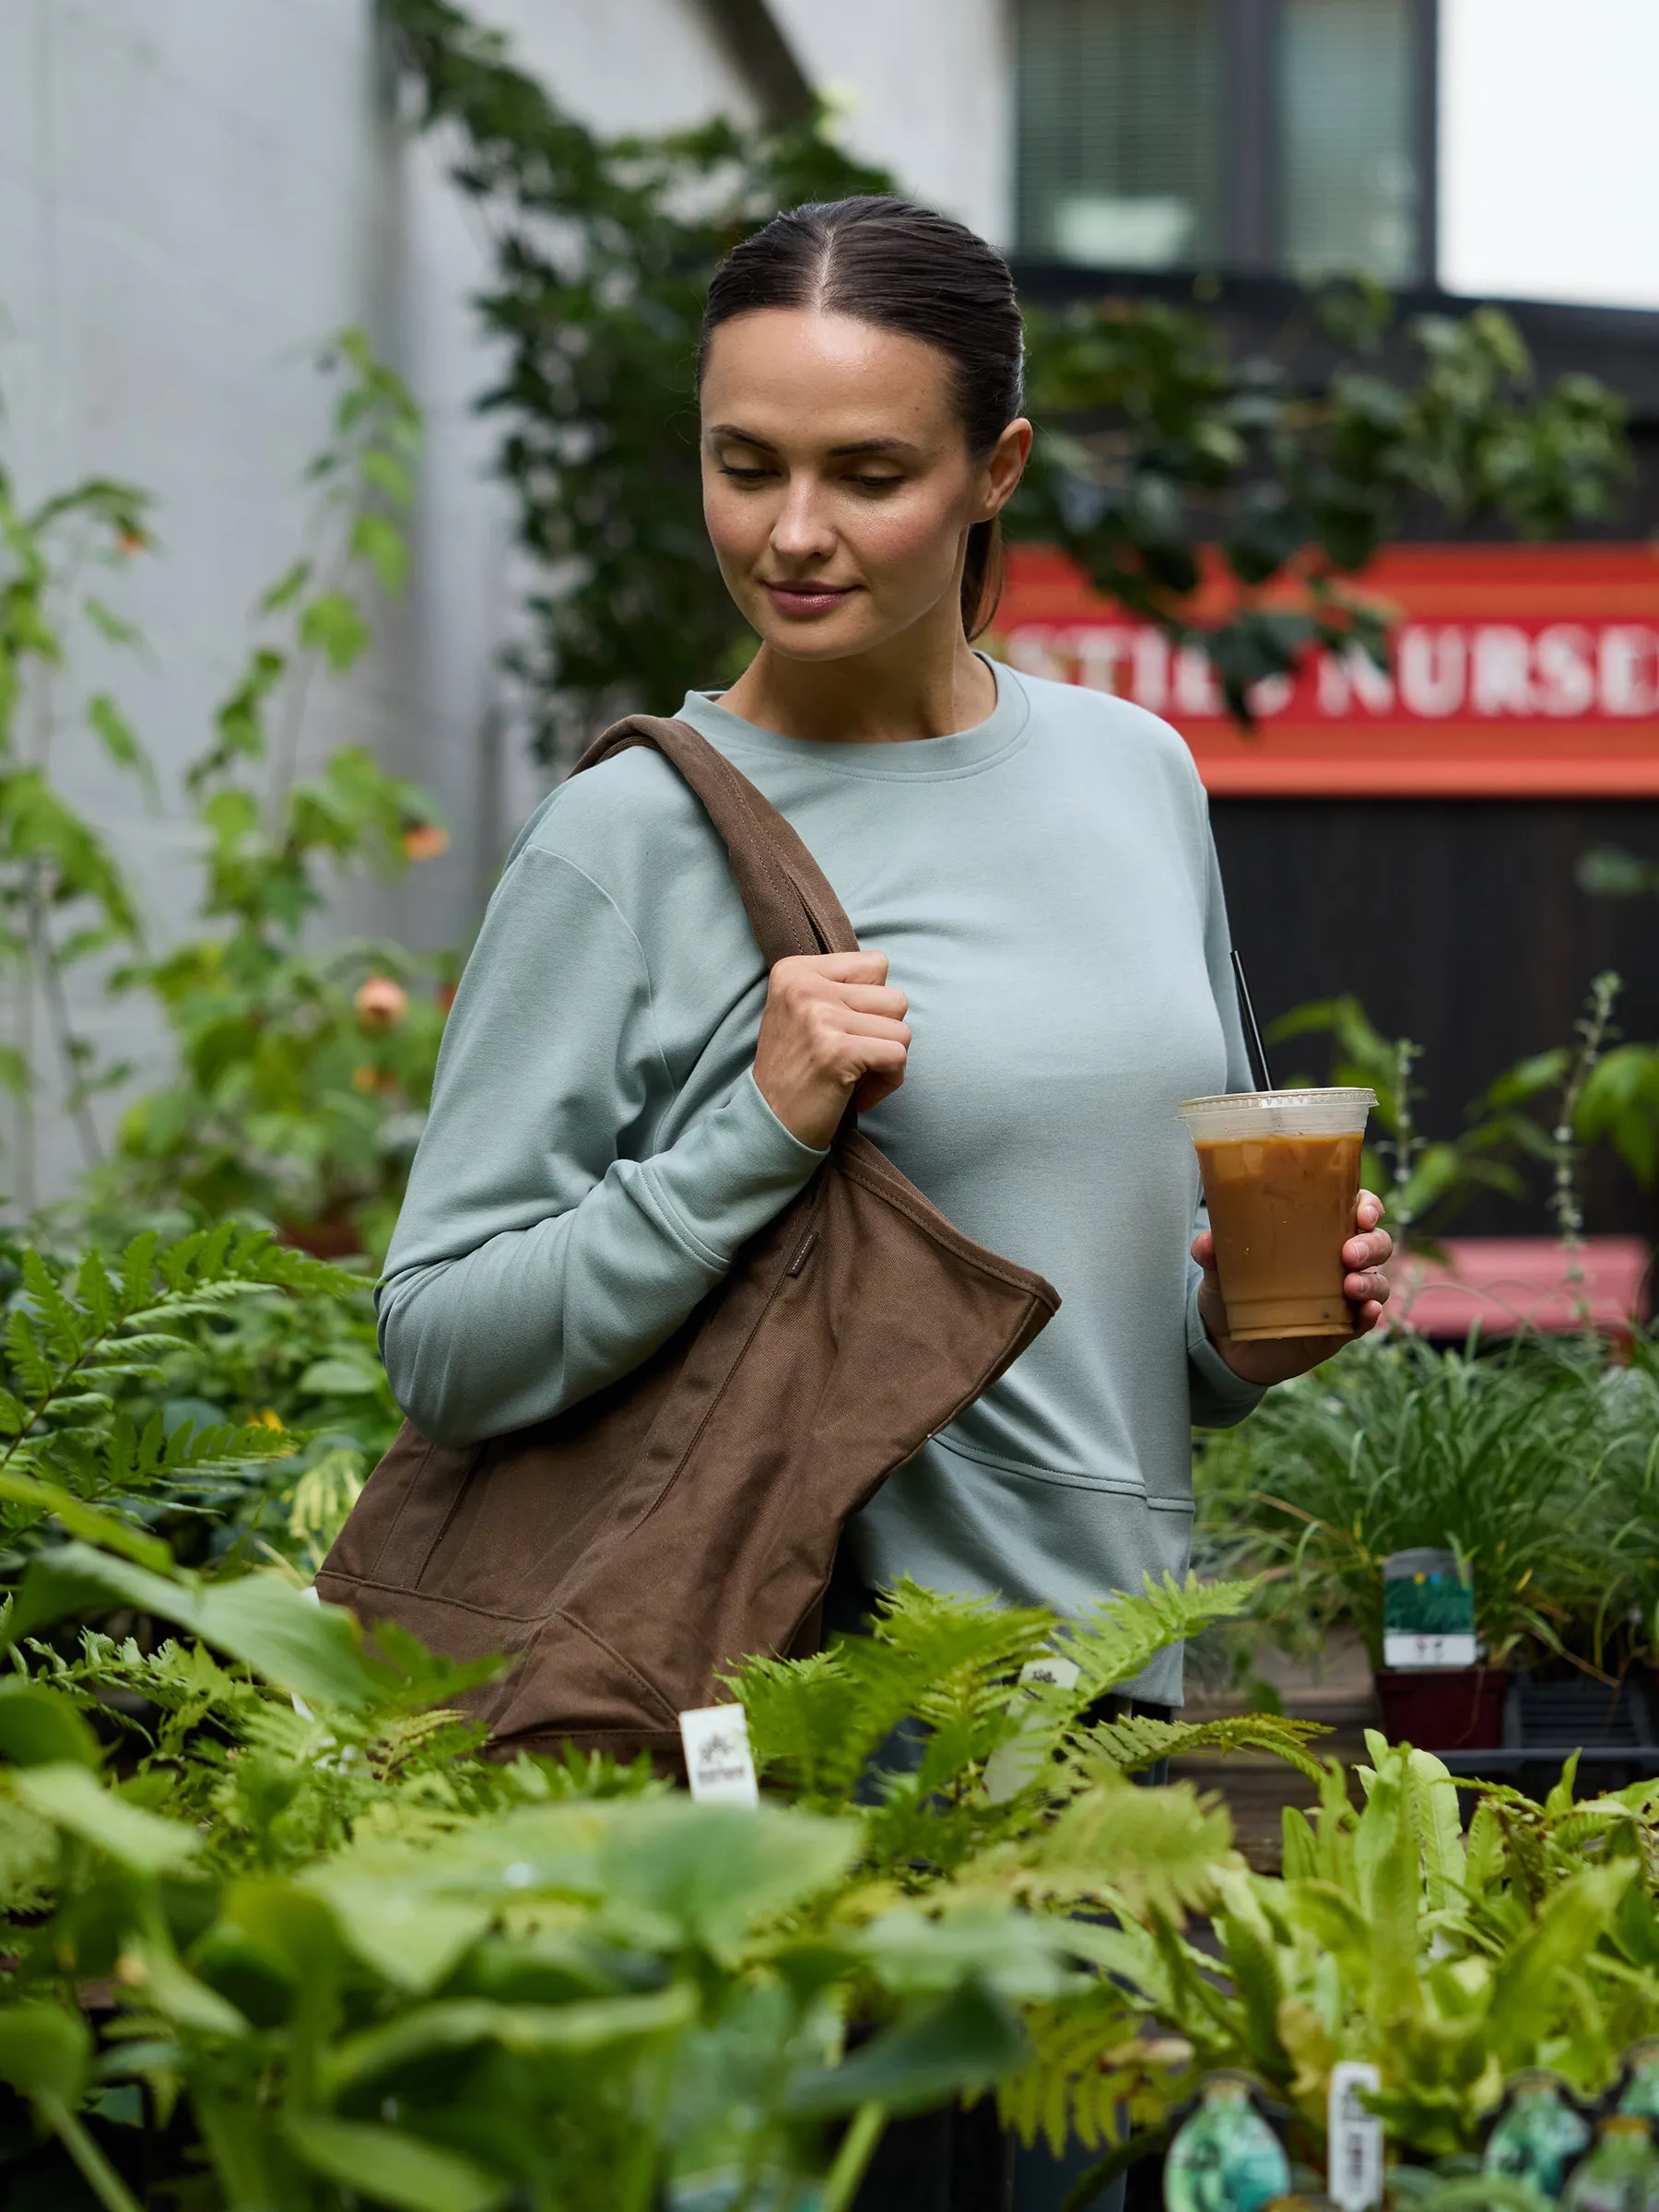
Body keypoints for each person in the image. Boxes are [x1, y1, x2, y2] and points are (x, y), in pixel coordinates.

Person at [376, 194, 1393, 2205]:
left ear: (995, 471)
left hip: (1116, 1737)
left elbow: (1105, 1341)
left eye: (869, 473)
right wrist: (751, 1128)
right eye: (744, 465)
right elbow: (444, 1335)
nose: (793, 534)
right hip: (796, 1747)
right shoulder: (632, 841)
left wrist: (1254, 1330)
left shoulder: (1134, 778)